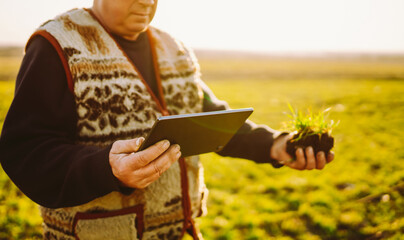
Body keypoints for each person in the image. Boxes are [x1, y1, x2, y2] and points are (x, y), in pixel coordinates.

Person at [0, 0, 334, 239]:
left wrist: (274, 145)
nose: (147, 2)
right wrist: (106, 167)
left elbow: (207, 118)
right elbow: (26, 150)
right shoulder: (56, 44)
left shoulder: (173, 47)